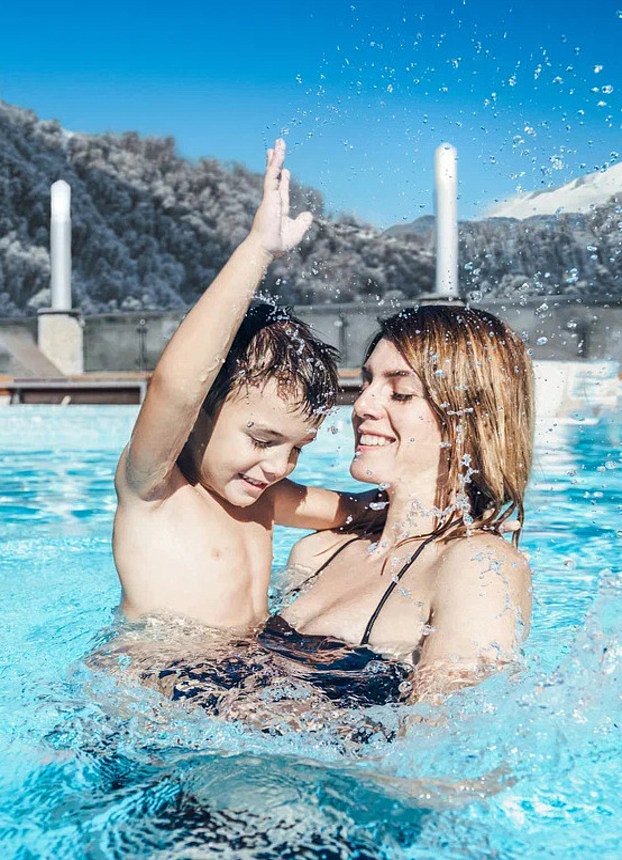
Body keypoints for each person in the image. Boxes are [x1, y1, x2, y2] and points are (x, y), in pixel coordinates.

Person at [113, 139, 378, 632]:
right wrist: (257, 250)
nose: (278, 466)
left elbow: (359, 509)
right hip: (165, 671)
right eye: (262, 440)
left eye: (296, 449)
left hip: (249, 664)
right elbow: (175, 385)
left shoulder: (264, 498)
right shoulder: (154, 490)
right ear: (199, 411)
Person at [271, 303, 535, 704]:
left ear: (467, 420)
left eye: (400, 393)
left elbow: (443, 733)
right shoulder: (316, 552)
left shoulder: (478, 567)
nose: (362, 406)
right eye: (367, 383)